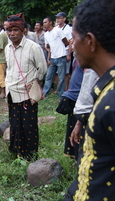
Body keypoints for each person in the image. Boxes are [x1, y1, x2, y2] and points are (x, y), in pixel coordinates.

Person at [63, 0, 115, 200]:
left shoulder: (112, 102)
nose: (72, 45)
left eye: (74, 38)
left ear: (90, 42)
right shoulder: (105, 87)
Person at [4, 16, 47, 161]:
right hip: (12, 92)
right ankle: (16, 151)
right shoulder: (7, 48)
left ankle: (30, 155)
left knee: (28, 125)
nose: (12, 34)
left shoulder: (33, 47)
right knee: (15, 123)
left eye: (15, 30)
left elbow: (42, 69)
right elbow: (9, 69)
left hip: (27, 94)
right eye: (9, 30)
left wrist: (33, 82)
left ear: (23, 30)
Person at [42, 16, 69, 98]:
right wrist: (48, 58)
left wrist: (64, 52)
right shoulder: (46, 34)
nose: (44, 24)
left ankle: (60, 95)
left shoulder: (58, 31)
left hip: (61, 57)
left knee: (61, 77)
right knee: (48, 76)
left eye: (45, 22)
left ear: (50, 22)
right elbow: (48, 47)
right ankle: (44, 93)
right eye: (43, 23)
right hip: (52, 58)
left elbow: (66, 42)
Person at [55, 12, 73, 91]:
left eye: (60, 18)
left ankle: (65, 89)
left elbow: (70, 41)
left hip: (65, 52)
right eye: (57, 18)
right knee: (58, 72)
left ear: (64, 19)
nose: (58, 20)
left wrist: (69, 53)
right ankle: (58, 89)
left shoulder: (69, 28)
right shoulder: (55, 29)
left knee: (66, 72)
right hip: (56, 53)